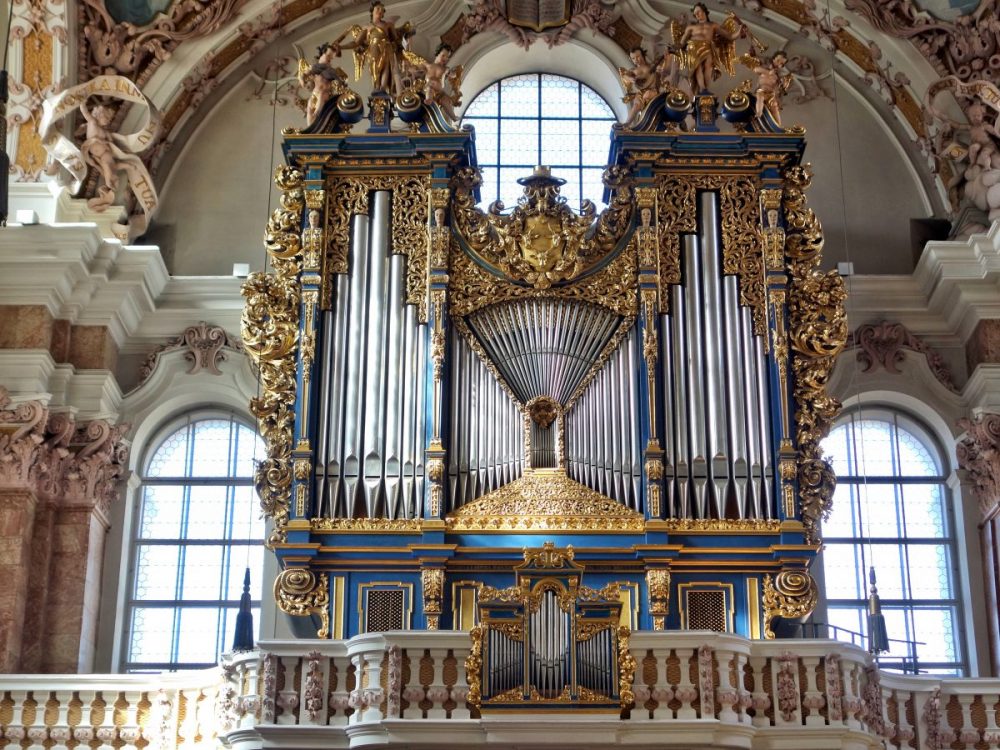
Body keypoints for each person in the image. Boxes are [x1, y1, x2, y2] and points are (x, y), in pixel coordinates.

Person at [331, 1, 412, 96]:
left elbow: (396, 39)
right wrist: (341, 47)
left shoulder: (388, 25)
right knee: (374, 67)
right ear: (372, 11)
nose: (380, 11)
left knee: (386, 67)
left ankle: (382, 88)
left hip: (386, 47)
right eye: (378, 9)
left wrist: (404, 41)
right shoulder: (367, 27)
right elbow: (356, 43)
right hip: (373, 48)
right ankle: (377, 87)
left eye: (382, 10)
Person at [676, 3, 746, 94]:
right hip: (693, 48)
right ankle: (702, 88)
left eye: (698, 12)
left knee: (708, 67)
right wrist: (673, 47)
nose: (697, 14)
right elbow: (682, 42)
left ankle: (705, 89)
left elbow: (730, 36)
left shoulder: (713, 25)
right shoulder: (691, 27)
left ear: (704, 12)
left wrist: (740, 30)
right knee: (698, 67)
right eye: (695, 13)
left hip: (707, 47)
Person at [298, 43, 349, 126]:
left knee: (319, 105)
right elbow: (303, 75)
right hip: (315, 93)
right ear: (321, 55)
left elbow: (341, 82)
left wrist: (342, 82)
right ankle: (310, 128)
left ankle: (317, 122)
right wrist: (302, 80)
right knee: (309, 107)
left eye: (331, 57)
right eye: (327, 55)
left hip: (325, 93)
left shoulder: (332, 71)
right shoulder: (315, 68)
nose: (329, 58)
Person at [751, 51, 791, 125]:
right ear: (773, 59)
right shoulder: (765, 68)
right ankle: (758, 114)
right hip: (762, 90)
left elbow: (780, 89)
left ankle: (778, 126)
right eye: (778, 60)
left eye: (781, 64)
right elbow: (756, 69)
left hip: (771, 95)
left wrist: (785, 84)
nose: (778, 64)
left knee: (775, 108)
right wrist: (768, 72)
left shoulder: (777, 76)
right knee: (760, 96)